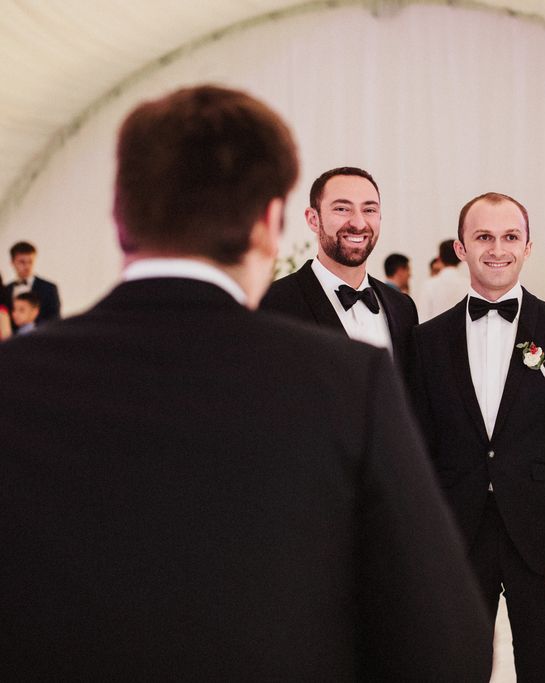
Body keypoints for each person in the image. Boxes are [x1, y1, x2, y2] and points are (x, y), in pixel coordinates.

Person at [0, 84, 491, 680]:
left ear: (119, 219)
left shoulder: (13, 377)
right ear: (270, 224)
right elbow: (450, 642)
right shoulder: (349, 381)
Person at [410, 192, 545, 682]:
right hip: (456, 539)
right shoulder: (427, 341)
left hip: (542, 540)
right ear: (461, 248)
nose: (497, 249)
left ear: (528, 247)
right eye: (484, 237)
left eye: (510, 237)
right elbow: (418, 455)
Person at [260, 167, 418, 378]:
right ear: (313, 219)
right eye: (342, 209)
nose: (358, 223)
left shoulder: (403, 307)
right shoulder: (272, 304)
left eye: (369, 210)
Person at [6, 241, 61, 327]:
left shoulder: (49, 288)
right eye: (22, 262)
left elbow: (55, 319)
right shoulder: (5, 290)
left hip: (41, 334)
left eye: (30, 262)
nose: (27, 266)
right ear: (12, 263)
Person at [418, 238, 470, 320]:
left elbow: (422, 318)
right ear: (460, 257)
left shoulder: (429, 285)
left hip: (434, 328)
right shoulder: (470, 285)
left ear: (439, 258)